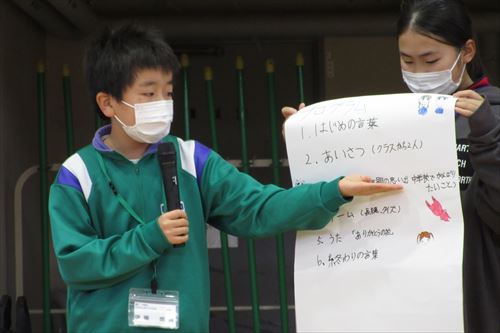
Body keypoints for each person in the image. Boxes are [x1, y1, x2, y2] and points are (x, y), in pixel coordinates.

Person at [48, 24, 402, 332]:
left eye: (168, 92)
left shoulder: (191, 159)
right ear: (108, 103)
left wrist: (332, 191)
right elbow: (76, 264)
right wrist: (150, 238)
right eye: (148, 93)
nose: (162, 103)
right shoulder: (77, 174)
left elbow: (259, 207)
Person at [283, 0, 500, 331]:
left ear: (467, 51)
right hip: (406, 297)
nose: (420, 73)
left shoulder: (491, 115)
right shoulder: (395, 122)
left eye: (431, 60)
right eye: (407, 61)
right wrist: (309, 139)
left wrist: (488, 136)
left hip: (478, 297)